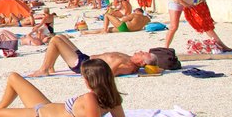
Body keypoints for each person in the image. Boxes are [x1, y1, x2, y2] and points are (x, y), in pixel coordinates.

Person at [26, 34, 154, 77]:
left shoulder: (129, 65)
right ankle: (50, 66)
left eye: (143, 54)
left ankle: (44, 69)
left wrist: (117, 62)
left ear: (142, 63)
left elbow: (109, 74)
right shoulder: (129, 58)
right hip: (85, 58)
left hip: (83, 65)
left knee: (55, 41)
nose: (141, 51)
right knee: (60, 37)